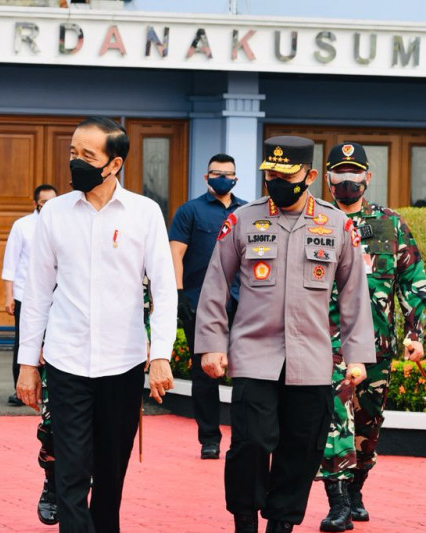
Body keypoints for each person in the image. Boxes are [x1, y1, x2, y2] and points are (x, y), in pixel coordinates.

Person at [195, 135, 376, 533]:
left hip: (311, 361)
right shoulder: (242, 219)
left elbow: (353, 294)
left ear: (310, 175)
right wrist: (211, 345)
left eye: (285, 175)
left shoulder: (336, 224)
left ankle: (281, 525)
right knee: (250, 446)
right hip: (254, 357)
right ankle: (245, 521)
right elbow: (215, 285)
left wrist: (357, 355)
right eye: (269, 174)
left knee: (300, 450)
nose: (275, 181)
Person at [17, 116, 177, 533]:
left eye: (87, 156)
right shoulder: (53, 214)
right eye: (73, 153)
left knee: (110, 477)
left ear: (114, 163)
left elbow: (164, 289)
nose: (76, 163)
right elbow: (36, 293)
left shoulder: (144, 214)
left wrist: (160, 355)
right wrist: (28, 364)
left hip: (122, 366)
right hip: (66, 363)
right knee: (69, 473)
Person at [315, 142, 426, 532]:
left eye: (355, 173)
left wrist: (418, 333)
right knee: (334, 421)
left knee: (368, 426)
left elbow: (415, 283)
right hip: (326, 345)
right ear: (326, 178)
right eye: (340, 174)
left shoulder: (390, 224)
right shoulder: (313, 220)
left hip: (376, 347)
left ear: (368, 177)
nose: (348, 181)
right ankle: (338, 502)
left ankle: (357, 488)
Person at [168, 153, 246, 460]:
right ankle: (209, 439)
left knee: (246, 373)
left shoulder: (248, 211)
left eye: (228, 174)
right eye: (217, 173)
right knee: (205, 374)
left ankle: (243, 434)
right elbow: (176, 252)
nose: (223, 178)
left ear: (236, 178)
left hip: (244, 302)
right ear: (206, 177)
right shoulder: (190, 211)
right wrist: (178, 295)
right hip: (200, 302)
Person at [1, 183, 58, 407]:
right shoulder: (22, 226)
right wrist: (9, 296)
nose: (48, 206)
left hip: (57, 297)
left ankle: (48, 389)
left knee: (52, 341)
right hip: (25, 295)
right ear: (35, 204)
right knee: (24, 341)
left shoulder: (62, 224)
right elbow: (11, 263)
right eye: (44, 203)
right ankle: (21, 389)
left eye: (52, 202)